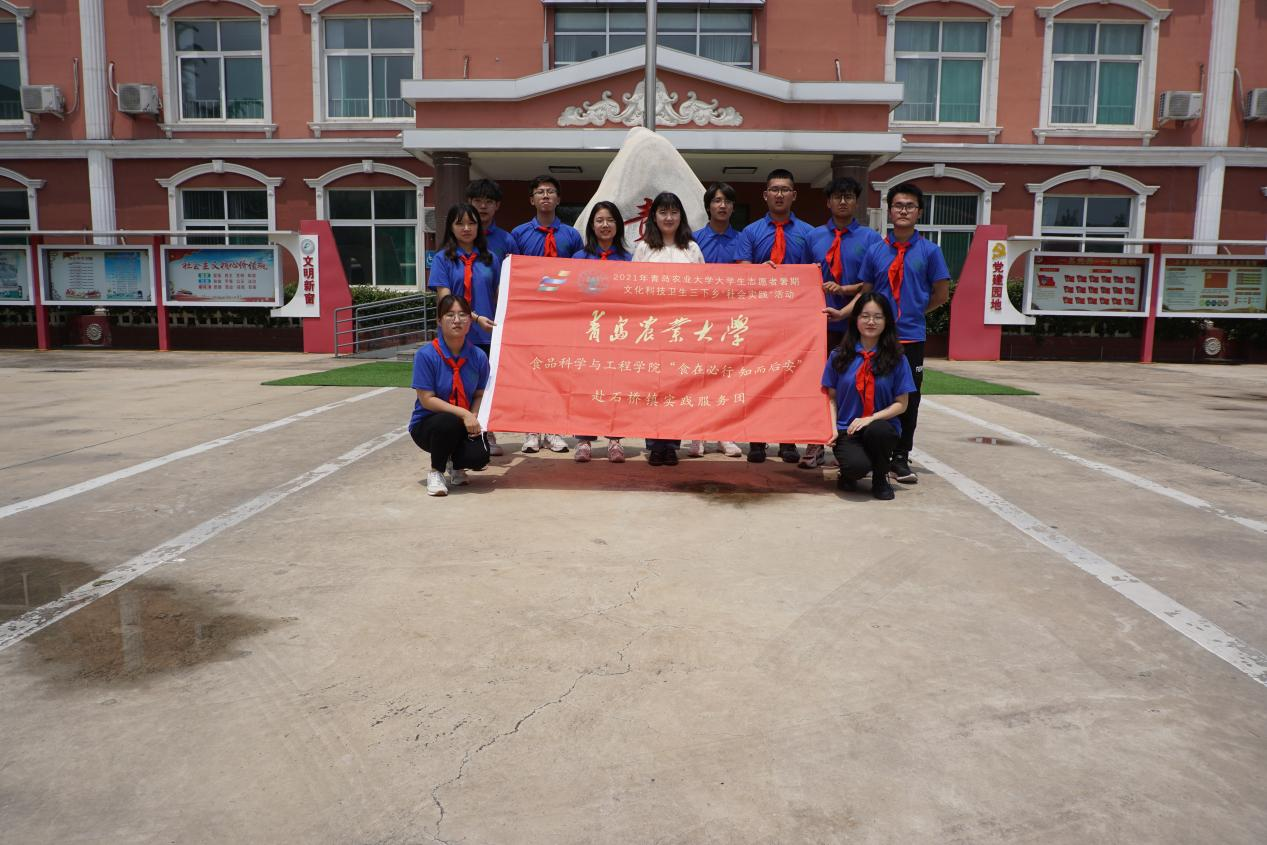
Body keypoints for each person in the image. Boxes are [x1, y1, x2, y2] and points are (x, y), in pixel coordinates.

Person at [855, 182, 951, 484]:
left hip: (911, 338)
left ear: (919, 212)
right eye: (898, 205)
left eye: (910, 206)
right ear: (889, 211)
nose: (904, 210)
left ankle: (900, 456)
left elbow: (941, 295)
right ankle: (872, 451)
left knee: (909, 397)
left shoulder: (930, 251)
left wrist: (914, 312)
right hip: (877, 337)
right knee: (873, 391)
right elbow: (867, 294)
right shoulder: (875, 251)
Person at [735, 168, 816, 464]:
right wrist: (759, 272)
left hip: (796, 322)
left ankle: (787, 440)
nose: (779, 194)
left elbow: (815, 273)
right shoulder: (750, 232)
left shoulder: (809, 233)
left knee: (789, 380)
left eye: (785, 189)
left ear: (794, 195)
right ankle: (757, 441)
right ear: (765, 195)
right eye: (774, 189)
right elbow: (741, 271)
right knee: (757, 380)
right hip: (760, 320)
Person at [802, 176, 883, 470]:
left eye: (849, 196)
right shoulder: (813, 237)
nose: (843, 201)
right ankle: (815, 442)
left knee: (853, 384)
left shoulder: (871, 239)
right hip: (819, 327)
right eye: (837, 196)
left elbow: (870, 283)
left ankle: (850, 442)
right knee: (819, 385)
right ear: (828, 202)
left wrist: (845, 294)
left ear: (856, 201)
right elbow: (802, 277)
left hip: (856, 326)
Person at [510, 175, 584, 454]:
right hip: (530, 313)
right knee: (530, 372)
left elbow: (577, 275)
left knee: (556, 372)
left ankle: (553, 428)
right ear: (532, 199)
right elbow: (514, 274)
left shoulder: (572, 235)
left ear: (558, 199)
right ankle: (531, 429)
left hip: (561, 315)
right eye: (540, 192)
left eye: (550, 192)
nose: (545, 196)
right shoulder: (518, 234)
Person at [632, 192, 704, 466]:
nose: (669, 217)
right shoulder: (644, 249)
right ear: (654, 217)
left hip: (681, 330)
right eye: (663, 212)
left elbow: (704, 289)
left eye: (674, 212)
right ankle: (654, 444)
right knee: (653, 389)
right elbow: (632, 288)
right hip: (651, 330)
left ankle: (672, 445)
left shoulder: (692, 249)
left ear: (681, 216)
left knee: (677, 389)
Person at [822, 293, 915, 501]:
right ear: (855, 320)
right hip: (847, 428)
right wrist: (833, 428)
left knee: (879, 430)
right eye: (865, 316)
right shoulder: (838, 356)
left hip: (880, 426)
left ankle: (880, 478)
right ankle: (848, 473)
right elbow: (831, 398)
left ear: (886, 321)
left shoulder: (897, 359)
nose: (871, 322)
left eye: (878, 317)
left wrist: (870, 418)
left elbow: (902, 404)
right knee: (856, 467)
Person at [428, 203, 502, 456]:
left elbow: (500, 296)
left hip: (486, 335)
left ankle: (485, 431)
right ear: (451, 227)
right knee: (455, 385)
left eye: (472, 223)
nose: (467, 228)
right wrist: (475, 317)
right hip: (456, 334)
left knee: (484, 386)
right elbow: (445, 299)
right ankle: (453, 436)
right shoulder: (442, 259)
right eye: (460, 223)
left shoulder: (491, 259)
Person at [409, 294, 492, 497]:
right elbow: (426, 399)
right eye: (450, 315)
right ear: (439, 321)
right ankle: (436, 472)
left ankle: (456, 465)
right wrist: (464, 414)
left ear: (470, 321)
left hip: (464, 421)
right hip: (429, 425)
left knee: (479, 457)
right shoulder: (426, 355)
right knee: (447, 422)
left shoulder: (479, 356)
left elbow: (480, 394)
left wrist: (473, 416)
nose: (457, 320)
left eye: (463, 315)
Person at [572, 202, 632, 463]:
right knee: (584, 386)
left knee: (615, 386)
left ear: (618, 225)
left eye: (610, 220)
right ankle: (583, 440)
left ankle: (615, 440)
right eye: (599, 220)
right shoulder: (579, 258)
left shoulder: (630, 259)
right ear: (591, 225)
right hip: (588, 333)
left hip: (618, 333)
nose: (605, 225)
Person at [688, 182, 743, 458]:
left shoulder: (743, 239)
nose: (722, 206)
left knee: (727, 379)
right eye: (717, 201)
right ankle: (697, 434)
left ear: (733, 207)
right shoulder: (693, 240)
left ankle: (724, 434)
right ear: (708, 206)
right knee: (698, 379)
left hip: (731, 321)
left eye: (727, 201)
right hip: (700, 320)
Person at [466, 178, 516, 263]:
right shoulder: (460, 236)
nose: (483, 206)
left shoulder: (507, 240)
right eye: (478, 201)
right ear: (469, 203)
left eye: (489, 201)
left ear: (497, 205)